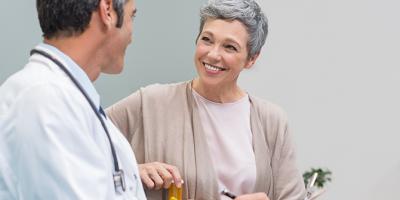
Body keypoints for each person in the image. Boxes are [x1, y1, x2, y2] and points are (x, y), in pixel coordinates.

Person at [106, 0, 306, 199]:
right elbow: (80, 145)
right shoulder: (150, 103)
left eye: (229, 47)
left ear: (251, 58)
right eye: (207, 40)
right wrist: (132, 170)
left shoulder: (272, 121)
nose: (212, 54)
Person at [0, 0, 147, 199]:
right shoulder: (45, 100)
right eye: (132, 16)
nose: (132, 36)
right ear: (108, 11)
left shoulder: (63, 96)